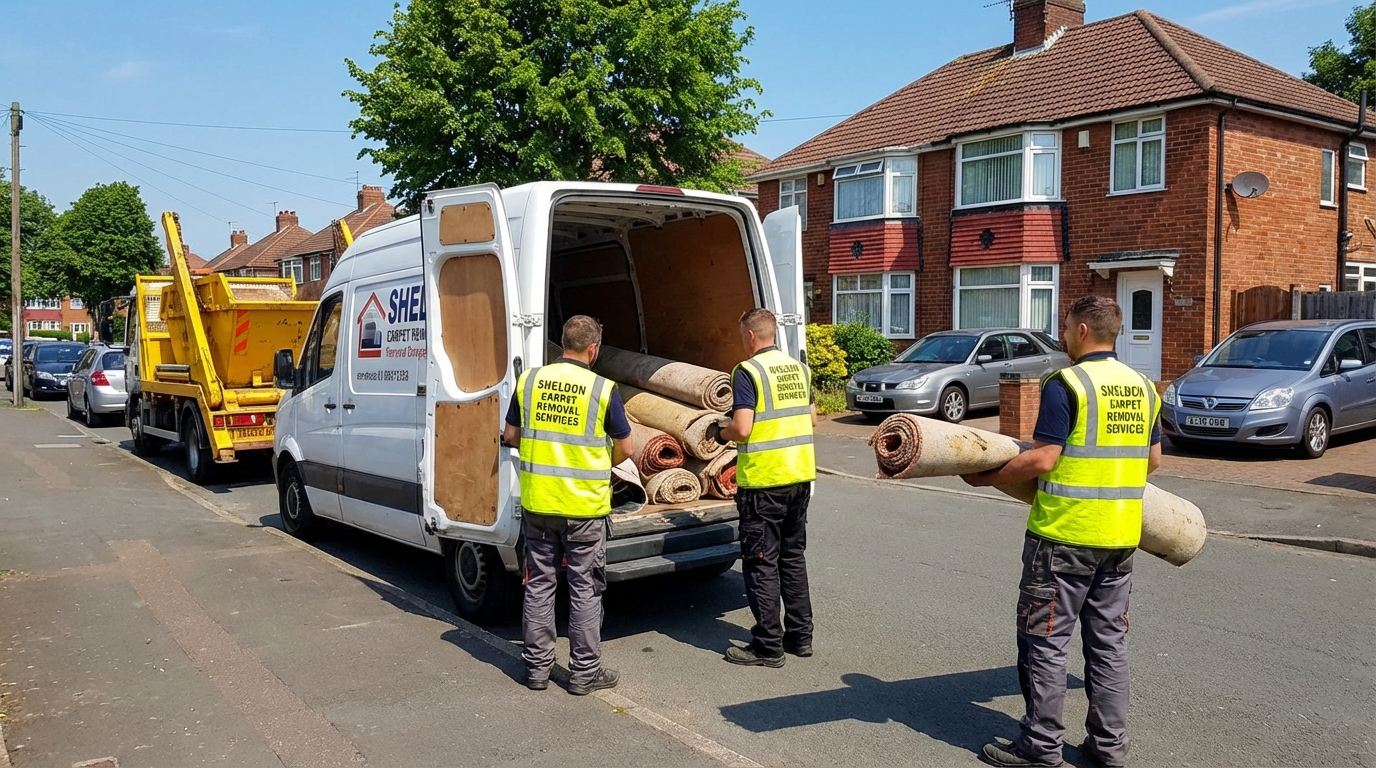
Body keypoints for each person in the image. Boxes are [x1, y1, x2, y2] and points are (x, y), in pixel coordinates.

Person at [962, 296, 1161, 768]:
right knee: (1108, 645)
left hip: (1063, 537)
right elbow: (1152, 462)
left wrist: (985, 476)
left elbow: (1042, 458)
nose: (1064, 334)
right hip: (1119, 540)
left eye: (1067, 326)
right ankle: (1109, 748)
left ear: (1085, 330)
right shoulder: (1143, 387)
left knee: (1045, 642)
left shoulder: (1067, 383)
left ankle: (1040, 747)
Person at [502, 315, 632, 695]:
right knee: (585, 589)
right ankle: (583, 674)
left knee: (539, 587)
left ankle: (537, 671)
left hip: (539, 505)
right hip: (584, 510)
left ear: (563, 344)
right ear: (593, 349)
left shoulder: (530, 382)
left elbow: (511, 435)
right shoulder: (602, 389)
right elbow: (625, 449)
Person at [717, 308, 818, 668]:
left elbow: (742, 428)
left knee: (761, 562)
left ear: (749, 336)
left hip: (763, 483)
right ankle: (800, 637)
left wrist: (720, 432)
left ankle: (768, 646)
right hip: (799, 478)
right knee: (793, 558)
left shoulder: (747, 372)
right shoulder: (799, 369)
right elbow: (812, 418)